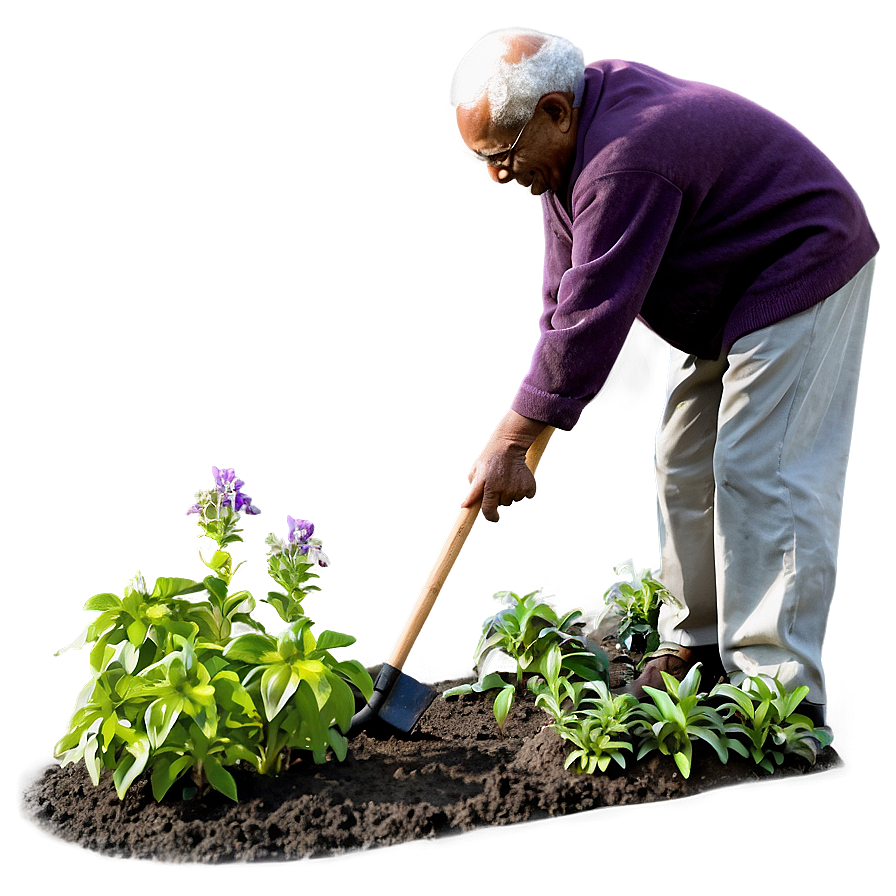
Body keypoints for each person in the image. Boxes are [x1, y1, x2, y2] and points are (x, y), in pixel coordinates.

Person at [450, 27, 879, 725]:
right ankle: (698, 645)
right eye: (484, 159)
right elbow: (566, 303)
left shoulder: (622, 159)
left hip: (802, 261)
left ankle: (779, 695)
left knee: (761, 468)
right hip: (735, 288)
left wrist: (510, 438)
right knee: (682, 459)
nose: (497, 175)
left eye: (502, 153)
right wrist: (521, 428)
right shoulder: (571, 154)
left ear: (556, 112)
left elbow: (594, 319)